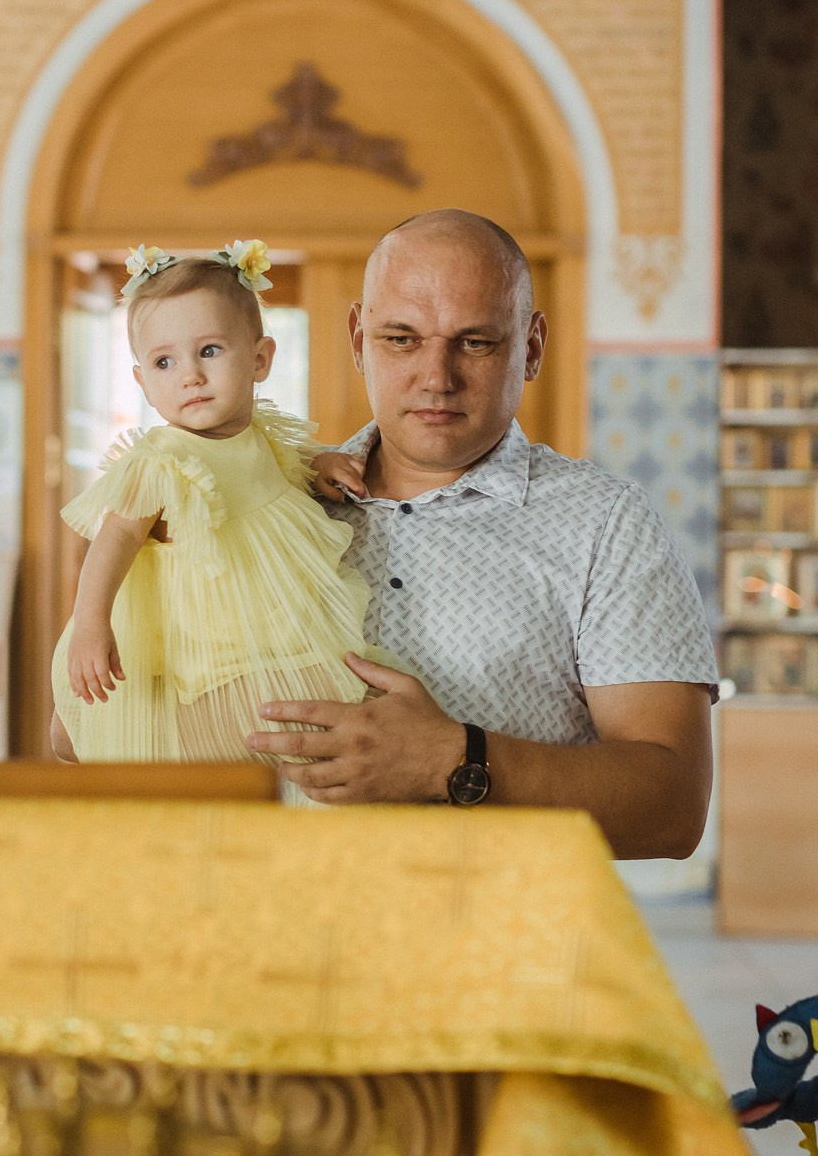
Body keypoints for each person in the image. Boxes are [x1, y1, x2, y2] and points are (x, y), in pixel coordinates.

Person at [242, 209, 717, 860]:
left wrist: (453, 759)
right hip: (276, 913)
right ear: (358, 338)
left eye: (475, 342)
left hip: (502, 922)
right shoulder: (272, 501)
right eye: (401, 339)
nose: (436, 377)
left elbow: (673, 808)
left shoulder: (605, 523)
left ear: (532, 347)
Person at [48, 241, 399, 772]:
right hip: (200, 635)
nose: (189, 375)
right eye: (164, 362)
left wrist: (320, 464)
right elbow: (115, 539)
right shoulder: (162, 459)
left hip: (267, 627)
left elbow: (280, 466)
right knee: (193, 731)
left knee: (324, 709)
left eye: (209, 351)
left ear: (260, 359)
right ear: (143, 382)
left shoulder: (263, 436)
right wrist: (91, 623)